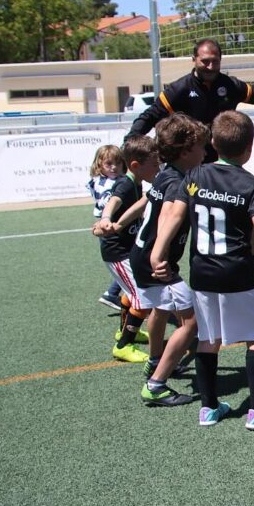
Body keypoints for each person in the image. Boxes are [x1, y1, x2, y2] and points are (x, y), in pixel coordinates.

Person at [127, 38, 254, 288]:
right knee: (172, 215)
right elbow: (150, 115)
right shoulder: (179, 89)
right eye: (205, 60)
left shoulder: (230, 86)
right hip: (189, 165)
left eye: (215, 60)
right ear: (194, 59)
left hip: (223, 162)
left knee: (248, 211)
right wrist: (131, 140)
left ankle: (252, 265)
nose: (210, 65)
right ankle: (149, 267)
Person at [151, 111, 254, 429]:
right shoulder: (252, 184)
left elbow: (173, 215)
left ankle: (209, 407)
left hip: (202, 273)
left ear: (213, 143)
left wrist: (157, 252)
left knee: (208, 337)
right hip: (238, 273)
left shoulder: (194, 177)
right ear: (250, 147)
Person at [131, 114, 209, 407]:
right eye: (201, 147)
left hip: (140, 255)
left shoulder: (164, 174)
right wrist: (158, 256)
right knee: (192, 322)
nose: (205, 153)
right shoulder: (178, 183)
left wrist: (113, 221)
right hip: (156, 261)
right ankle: (156, 384)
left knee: (161, 310)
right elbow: (167, 216)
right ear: (186, 150)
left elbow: (145, 204)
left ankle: (155, 361)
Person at [92, 137, 161, 364]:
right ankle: (123, 346)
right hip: (117, 252)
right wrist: (105, 219)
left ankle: (124, 331)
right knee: (142, 299)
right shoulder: (125, 183)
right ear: (135, 166)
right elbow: (113, 201)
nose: (157, 168)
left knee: (130, 294)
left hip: (126, 249)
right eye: (154, 164)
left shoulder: (137, 182)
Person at [87, 145, 127, 310]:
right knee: (125, 262)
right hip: (110, 225)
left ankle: (113, 293)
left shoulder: (96, 181)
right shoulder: (111, 184)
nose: (114, 167)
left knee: (125, 263)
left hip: (109, 224)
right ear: (99, 164)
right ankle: (113, 294)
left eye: (117, 163)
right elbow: (106, 202)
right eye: (109, 163)